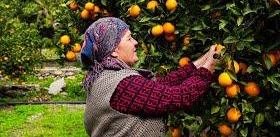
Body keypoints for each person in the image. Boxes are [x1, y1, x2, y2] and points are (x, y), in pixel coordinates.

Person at [81, 17, 221, 137]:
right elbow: (177, 96)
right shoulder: (123, 85)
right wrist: (210, 66)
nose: (135, 42)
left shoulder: (106, 76)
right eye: (129, 38)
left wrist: (204, 60)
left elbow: (162, 85)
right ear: (113, 50)